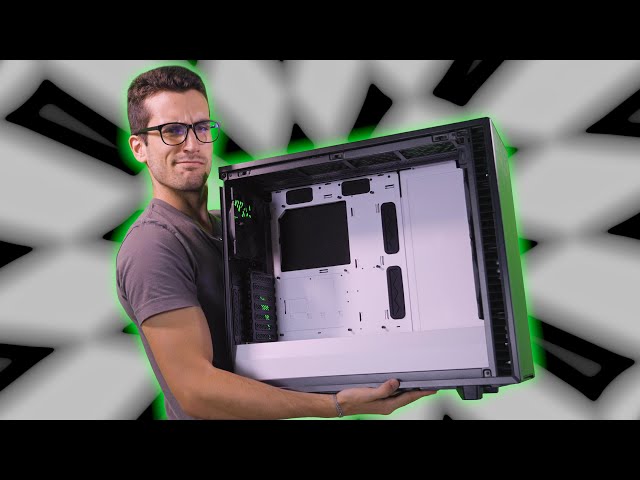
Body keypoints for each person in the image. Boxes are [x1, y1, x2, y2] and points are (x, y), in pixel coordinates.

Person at [115, 65, 437, 420]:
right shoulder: (153, 246)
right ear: (139, 147)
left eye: (202, 127)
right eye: (172, 131)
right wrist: (334, 405)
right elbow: (195, 391)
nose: (192, 144)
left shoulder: (230, 226)